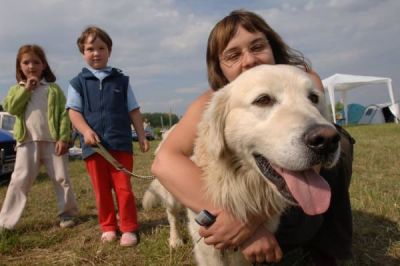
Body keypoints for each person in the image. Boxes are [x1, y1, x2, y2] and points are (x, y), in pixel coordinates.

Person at [152, 9, 354, 265]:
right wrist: (232, 219)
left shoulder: (304, 79)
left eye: (258, 46)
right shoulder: (213, 102)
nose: (249, 61)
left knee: (342, 141)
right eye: (233, 55)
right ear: (220, 68)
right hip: (230, 210)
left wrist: (249, 223)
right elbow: (164, 161)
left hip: (292, 213)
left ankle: (328, 249)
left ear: (273, 48)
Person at [67, 26, 150, 247]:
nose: (96, 53)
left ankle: (129, 228)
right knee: (101, 190)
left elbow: (134, 110)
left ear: (109, 51)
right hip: (93, 149)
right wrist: (85, 131)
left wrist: (141, 135)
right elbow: (73, 112)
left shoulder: (121, 81)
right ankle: (108, 227)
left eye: (101, 48)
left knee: (124, 189)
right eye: (90, 48)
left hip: (120, 145)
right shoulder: (77, 83)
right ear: (82, 52)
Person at [0, 44, 79, 230]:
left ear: (43, 65)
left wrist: (63, 138)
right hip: (27, 142)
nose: (31, 66)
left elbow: (62, 115)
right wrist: (26, 89)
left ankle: (67, 214)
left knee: (61, 178)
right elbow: (11, 108)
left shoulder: (53, 89)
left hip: (53, 142)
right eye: (26, 62)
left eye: (36, 62)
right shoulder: (16, 90)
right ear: (20, 66)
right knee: (19, 180)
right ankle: (5, 222)